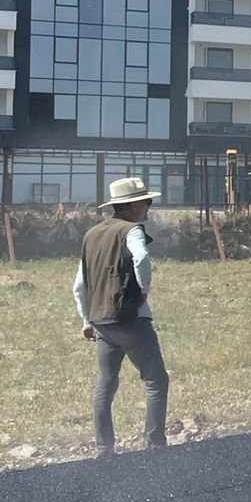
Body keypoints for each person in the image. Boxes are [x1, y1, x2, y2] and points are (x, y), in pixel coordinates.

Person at [73, 175, 170, 456]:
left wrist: (85, 321)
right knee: (155, 380)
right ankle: (155, 445)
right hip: (131, 320)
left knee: (105, 384)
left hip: (101, 323)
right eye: (146, 202)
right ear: (134, 206)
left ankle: (104, 448)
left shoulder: (91, 235)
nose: (148, 207)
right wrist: (144, 291)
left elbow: (79, 285)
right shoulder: (132, 230)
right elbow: (141, 258)